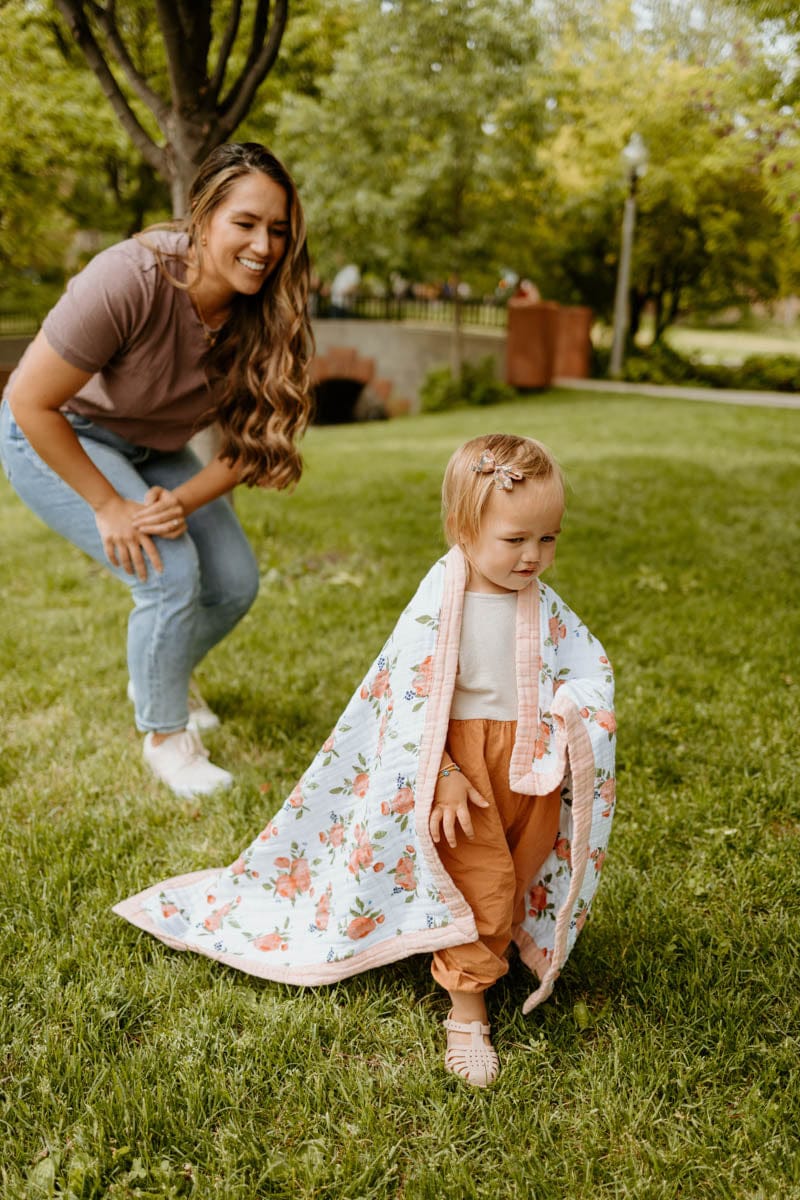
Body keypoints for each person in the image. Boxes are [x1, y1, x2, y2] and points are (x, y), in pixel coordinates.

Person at [114, 434, 616, 1088]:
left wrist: (575, 708)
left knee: (518, 868)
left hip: (527, 765)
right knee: (483, 881)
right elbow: (408, 699)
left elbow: (586, 664)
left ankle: (484, 942)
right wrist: (443, 773)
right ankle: (467, 1010)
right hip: (460, 767)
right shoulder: (441, 603)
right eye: (516, 539)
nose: (533, 556)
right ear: (463, 529)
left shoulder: (542, 604)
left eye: (548, 539)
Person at [0, 143, 313, 798]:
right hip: (55, 432)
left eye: (278, 230)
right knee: (169, 574)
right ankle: (167, 737)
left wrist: (182, 500)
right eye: (246, 223)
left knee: (233, 582)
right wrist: (107, 506)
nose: (264, 246)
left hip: (151, 445)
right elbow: (29, 400)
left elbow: (254, 440)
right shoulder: (130, 278)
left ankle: (157, 674)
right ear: (202, 218)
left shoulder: (267, 306)